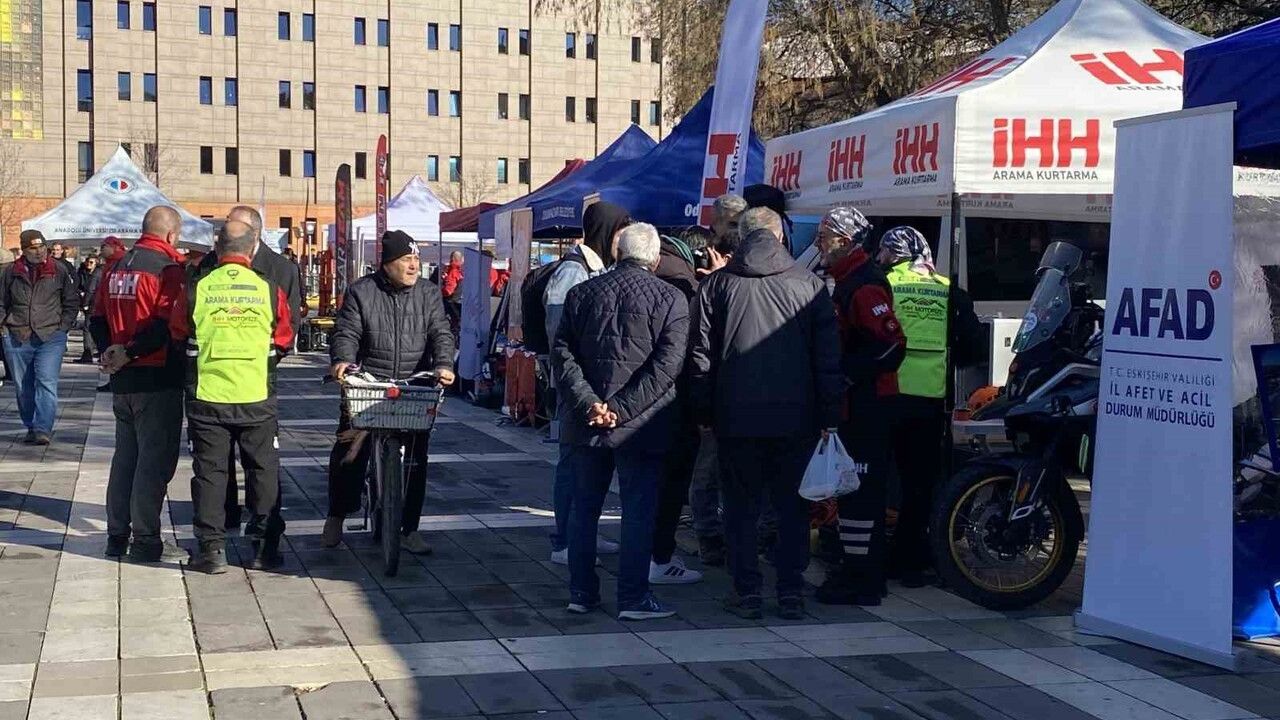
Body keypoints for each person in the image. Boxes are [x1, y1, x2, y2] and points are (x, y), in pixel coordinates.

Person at [690, 207, 842, 620]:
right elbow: (827, 358)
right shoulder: (809, 285)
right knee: (793, 508)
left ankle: (747, 591)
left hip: (735, 417)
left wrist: (702, 410)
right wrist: (830, 415)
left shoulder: (718, 286)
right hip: (797, 417)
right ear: (780, 237)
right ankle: (790, 591)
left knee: (740, 507)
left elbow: (700, 358)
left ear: (741, 237)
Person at [553, 222, 689, 620]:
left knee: (584, 509)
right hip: (643, 423)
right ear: (656, 258)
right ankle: (633, 597)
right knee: (638, 511)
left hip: (586, 421)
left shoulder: (580, 294)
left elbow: (562, 357)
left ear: (617, 254)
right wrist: (622, 409)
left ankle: (582, 592)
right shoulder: (671, 299)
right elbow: (667, 368)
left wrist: (591, 403)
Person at [170, 220, 295, 573]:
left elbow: (178, 330)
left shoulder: (197, 287)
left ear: (217, 249)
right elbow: (284, 337)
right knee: (263, 470)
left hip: (208, 395)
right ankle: (265, 548)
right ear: (252, 248)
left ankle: (211, 551)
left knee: (210, 473)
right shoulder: (268, 289)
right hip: (256, 395)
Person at [324, 230, 457, 553]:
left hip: (414, 385)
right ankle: (337, 516)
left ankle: (409, 527)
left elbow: (441, 332)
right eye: (406, 259)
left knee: (416, 459)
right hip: (370, 382)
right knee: (349, 452)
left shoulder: (428, 293)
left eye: (416, 259)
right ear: (386, 263)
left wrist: (443, 364)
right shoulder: (361, 292)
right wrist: (343, 360)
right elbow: (347, 333)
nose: (414, 266)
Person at [876, 226, 983, 587]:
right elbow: (971, 350)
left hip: (885, 394)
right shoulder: (949, 290)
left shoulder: (883, 283)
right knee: (918, 483)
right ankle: (909, 559)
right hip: (928, 401)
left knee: (874, 478)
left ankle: (870, 554)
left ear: (892, 252)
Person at [812, 207, 906, 606]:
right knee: (851, 491)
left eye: (825, 236)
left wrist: (846, 375)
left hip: (869, 407)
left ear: (846, 241)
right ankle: (855, 570)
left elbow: (891, 344)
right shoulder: (846, 280)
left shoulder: (863, 285)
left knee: (862, 492)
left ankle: (864, 580)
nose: (819, 243)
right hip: (855, 405)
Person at [91, 207, 188, 562]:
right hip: (155, 375)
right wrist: (130, 352)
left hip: (122, 379)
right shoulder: (168, 269)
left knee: (125, 460)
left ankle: (117, 535)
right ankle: (146, 540)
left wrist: (109, 352)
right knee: (153, 463)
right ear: (171, 235)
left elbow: (97, 317)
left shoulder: (116, 266)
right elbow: (167, 324)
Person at [199, 206, 303, 532]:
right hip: (212, 384)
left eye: (235, 229)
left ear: (254, 234)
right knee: (216, 465)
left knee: (261, 463)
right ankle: (224, 520)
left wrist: (264, 361)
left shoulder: (281, 269)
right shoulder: (207, 266)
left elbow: (290, 326)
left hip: (257, 382)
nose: (228, 236)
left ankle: (263, 530)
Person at [544, 201, 627, 564]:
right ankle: (566, 541)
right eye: (619, 231)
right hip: (575, 385)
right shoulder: (573, 271)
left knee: (585, 465)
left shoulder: (598, 269)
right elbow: (557, 333)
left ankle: (583, 535)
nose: (621, 240)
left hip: (591, 384)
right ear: (605, 231)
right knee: (572, 463)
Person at [687, 193, 747, 566]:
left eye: (719, 223)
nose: (714, 230)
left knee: (720, 470)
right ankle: (712, 534)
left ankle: (720, 534)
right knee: (711, 469)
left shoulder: (724, 278)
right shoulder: (715, 274)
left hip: (733, 388)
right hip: (733, 389)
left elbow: (702, 344)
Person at [648, 232, 703, 584]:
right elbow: (686, 354)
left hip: (630, 409)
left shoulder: (654, 279)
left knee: (644, 487)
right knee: (669, 487)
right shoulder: (684, 287)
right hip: (674, 405)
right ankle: (659, 559)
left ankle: (645, 557)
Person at [0, 230, 80, 445]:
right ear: (24, 250)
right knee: (22, 385)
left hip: (50, 335)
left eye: (42, 247)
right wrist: (3, 326)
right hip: (17, 334)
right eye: (33, 248)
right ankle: (30, 425)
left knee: (46, 381)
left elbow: (71, 302)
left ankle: (43, 428)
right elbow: (1, 301)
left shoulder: (59, 270)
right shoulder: (10, 272)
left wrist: (62, 328)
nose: (39, 252)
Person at [75, 255, 100, 363]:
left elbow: (90, 289)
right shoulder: (84, 272)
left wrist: (85, 303)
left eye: (91, 262)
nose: (89, 264)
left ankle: (87, 354)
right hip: (97, 304)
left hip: (92, 305)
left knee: (87, 329)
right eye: (88, 262)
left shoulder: (96, 274)